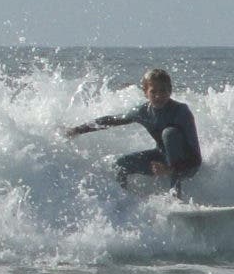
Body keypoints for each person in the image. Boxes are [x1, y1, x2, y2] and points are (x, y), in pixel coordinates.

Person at [65, 68, 201, 198]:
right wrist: (77, 130)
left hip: (187, 164)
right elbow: (112, 120)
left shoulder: (181, 112)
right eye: (154, 92)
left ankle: (176, 198)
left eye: (163, 90)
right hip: (162, 159)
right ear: (145, 92)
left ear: (170, 90)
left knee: (169, 133)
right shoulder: (143, 112)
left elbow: (195, 159)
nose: (159, 95)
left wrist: (169, 169)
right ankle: (124, 200)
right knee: (120, 164)